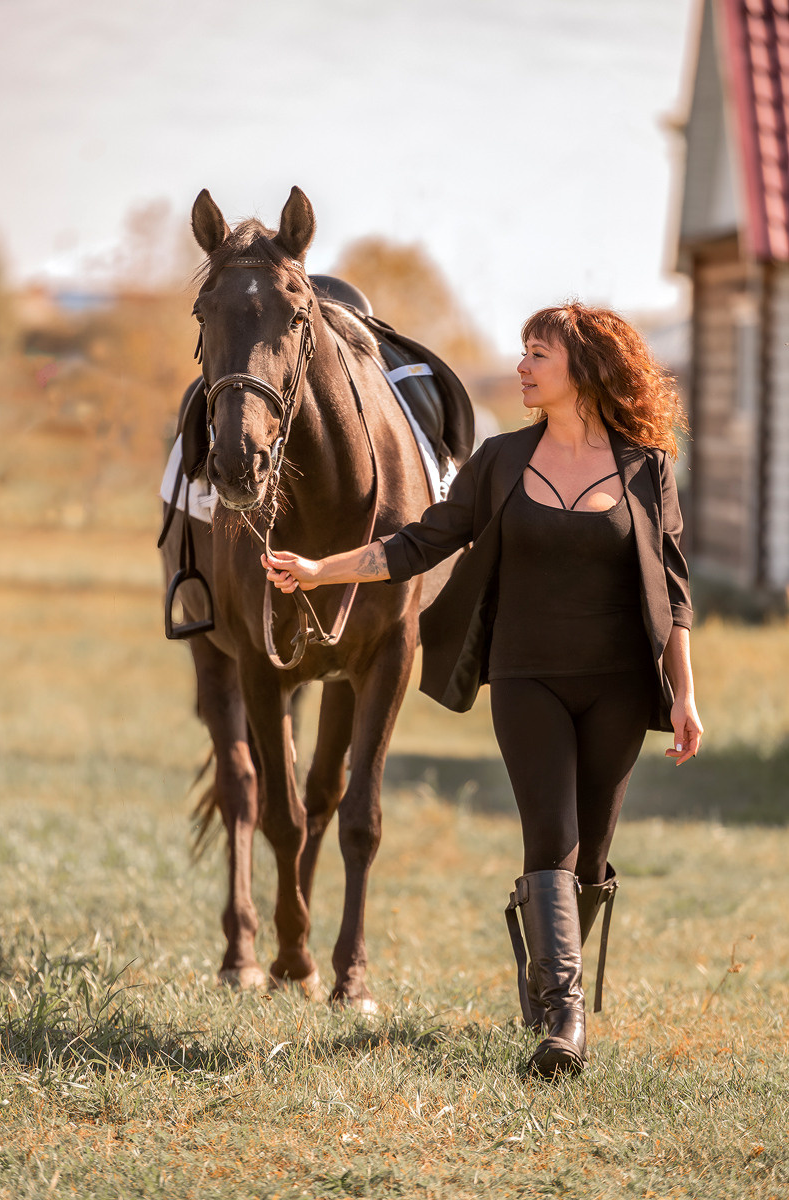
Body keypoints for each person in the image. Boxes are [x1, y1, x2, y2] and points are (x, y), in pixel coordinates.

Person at [262, 302, 703, 1077]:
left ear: (586, 369)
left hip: (621, 689)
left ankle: (544, 965)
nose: (524, 366)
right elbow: (419, 542)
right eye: (524, 353)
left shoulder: (646, 467)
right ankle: (565, 1023)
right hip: (526, 678)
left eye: (539, 354)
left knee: (593, 856)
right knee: (551, 838)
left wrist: (684, 695)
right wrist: (320, 569)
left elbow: (673, 591)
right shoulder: (500, 461)